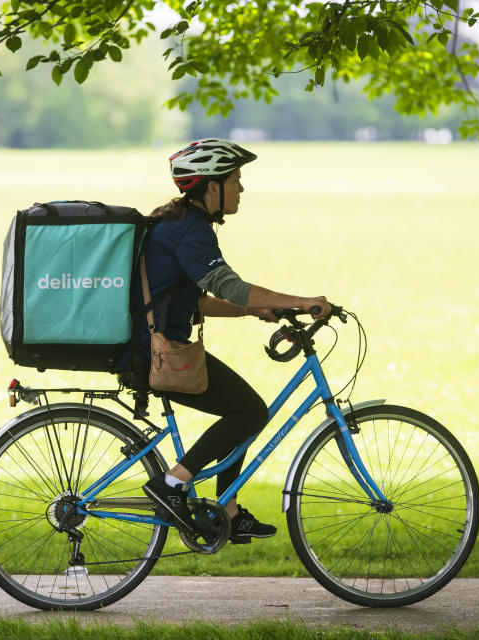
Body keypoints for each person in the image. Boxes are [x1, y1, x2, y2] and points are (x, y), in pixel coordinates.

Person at [131, 138, 331, 543]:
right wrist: (302, 301)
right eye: (236, 180)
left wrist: (255, 310)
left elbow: (197, 300)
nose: (241, 189)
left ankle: (228, 508)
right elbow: (230, 286)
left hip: (151, 347)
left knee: (244, 409)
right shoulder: (191, 230)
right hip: (154, 353)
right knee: (249, 411)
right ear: (211, 187)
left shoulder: (180, 223)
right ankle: (173, 484)